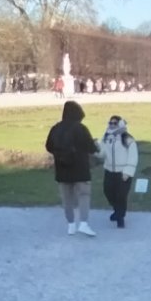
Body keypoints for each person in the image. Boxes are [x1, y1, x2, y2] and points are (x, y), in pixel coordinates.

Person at [45, 100, 100, 237]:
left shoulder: (55, 128)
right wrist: (95, 145)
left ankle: (71, 224)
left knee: (67, 199)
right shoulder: (80, 129)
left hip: (62, 169)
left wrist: (59, 154)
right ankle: (83, 223)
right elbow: (91, 148)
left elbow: (48, 146)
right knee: (84, 195)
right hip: (80, 169)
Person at [99, 114, 139, 229]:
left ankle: (120, 217)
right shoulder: (106, 137)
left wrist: (128, 171)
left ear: (120, 124)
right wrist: (95, 149)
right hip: (109, 170)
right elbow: (102, 154)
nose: (112, 125)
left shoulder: (127, 139)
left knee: (121, 195)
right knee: (108, 192)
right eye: (110, 123)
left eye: (115, 123)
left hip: (123, 172)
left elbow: (133, 156)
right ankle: (117, 211)